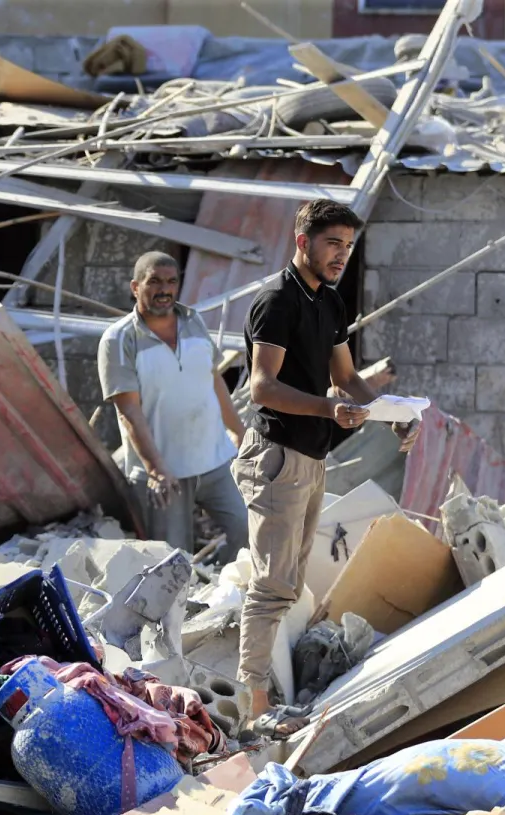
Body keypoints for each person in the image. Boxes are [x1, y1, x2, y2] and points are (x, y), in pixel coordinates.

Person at [235, 200, 420, 730]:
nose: (341, 254)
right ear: (303, 242)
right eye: (332, 243)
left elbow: (346, 377)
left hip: (311, 457)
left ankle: (263, 699)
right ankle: (255, 713)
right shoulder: (276, 301)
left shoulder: (330, 303)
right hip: (275, 457)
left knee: (287, 585)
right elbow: (263, 387)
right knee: (272, 587)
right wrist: (328, 408)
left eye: (347, 245)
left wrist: (394, 415)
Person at [99, 251, 250, 560]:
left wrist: (238, 432)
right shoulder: (119, 340)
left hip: (214, 460)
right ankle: (191, 603)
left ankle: (220, 591)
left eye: (171, 281)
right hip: (165, 474)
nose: (164, 289)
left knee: (247, 530)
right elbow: (128, 411)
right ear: (135, 287)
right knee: (170, 560)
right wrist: (155, 468)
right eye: (154, 281)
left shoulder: (193, 321)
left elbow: (213, 379)